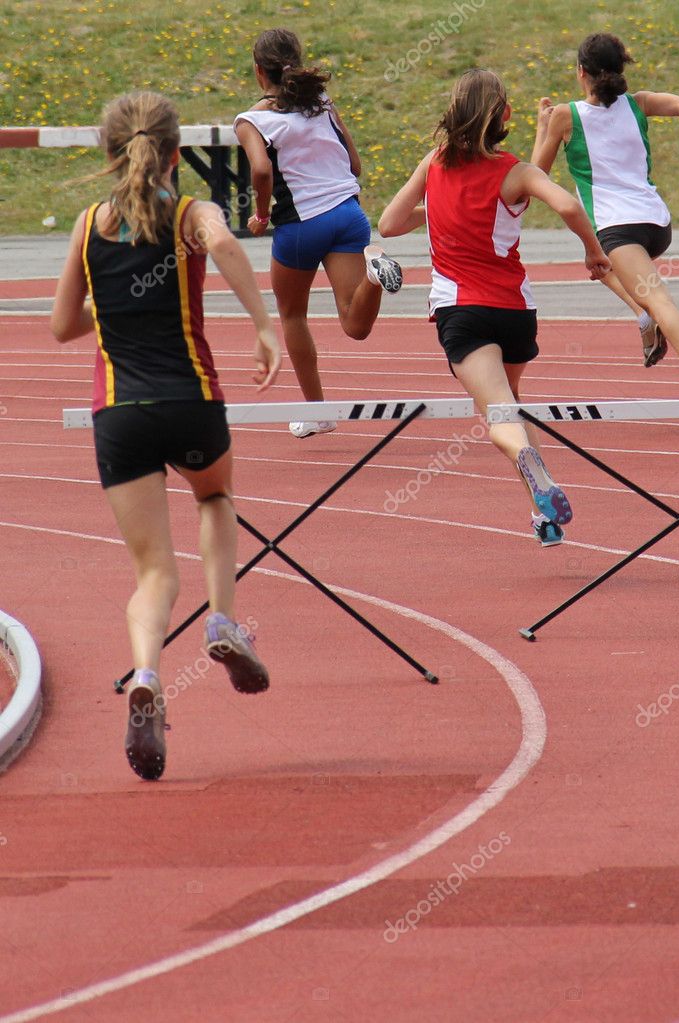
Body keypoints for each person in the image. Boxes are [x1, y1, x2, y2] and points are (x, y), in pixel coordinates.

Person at [50, 91, 281, 781]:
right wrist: (262, 326)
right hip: (191, 401)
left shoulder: (88, 225)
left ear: (109, 153)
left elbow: (61, 326)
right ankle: (222, 619)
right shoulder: (190, 214)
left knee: (153, 572)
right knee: (214, 497)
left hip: (120, 413)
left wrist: (111, 301)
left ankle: (147, 674)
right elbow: (227, 243)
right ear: (177, 154)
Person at [379, 69, 611, 548]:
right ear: (504, 115)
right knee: (511, 405)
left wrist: (437, 209)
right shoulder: (517, 172)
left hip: (462, 311)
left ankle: (529, 464)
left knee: (501, 417)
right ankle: (543, 516)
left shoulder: (433, 162)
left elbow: (389, 224)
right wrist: (593, 252)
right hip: (515, 312)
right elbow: (569, 207)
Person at [531, 32, 679, 435]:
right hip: (656, 224)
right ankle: (643, 317)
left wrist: (541, 126)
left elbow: (535, 175)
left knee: (657, 297)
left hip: (617, 227)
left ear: (581, 72)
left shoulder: (565, 116)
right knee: (598, 263)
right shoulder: (639, 103)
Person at [234, 26, 402, 440]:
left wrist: (261, 214)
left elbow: (260, 170)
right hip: (348, 214)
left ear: (258, 71)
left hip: (301, 225)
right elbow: (355, 165)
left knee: (293, 315)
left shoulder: (251, 121)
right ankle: (373, 276)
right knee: (355, 326)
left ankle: (318, 411)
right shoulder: (323, 103)